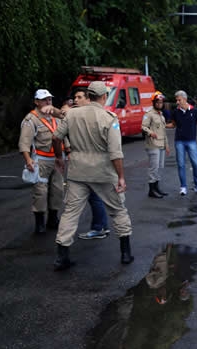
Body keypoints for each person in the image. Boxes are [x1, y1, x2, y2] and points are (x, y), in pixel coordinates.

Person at [53, 81, 134, 271]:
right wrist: (121, 176)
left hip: (77, 171)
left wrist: (59, 156)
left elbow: (56, 137)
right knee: (118, 210)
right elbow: (115, 152)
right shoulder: (109, 118)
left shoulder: (72, 114)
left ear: (88, 96)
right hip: (103, 172)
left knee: (70, 213)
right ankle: (125, 252)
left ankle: (62, 256)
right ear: (104, 97)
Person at [19, 89, 65, 234]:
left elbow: (64, 135)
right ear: (36, 102)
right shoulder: (31, 119)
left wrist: (67, 152)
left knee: (57, 189)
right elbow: (24, 142)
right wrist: (28, 160)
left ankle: (53, 219)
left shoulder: (55, 117)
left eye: (50, 99)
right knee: (40, 192)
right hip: (41, 159)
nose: (48, 102)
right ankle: (40, 223)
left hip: (57, 159)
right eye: (44, 99)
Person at [72, 88, 111, 240]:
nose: (76, 100)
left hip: (92, 165)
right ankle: (102, 226)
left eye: (79, 97)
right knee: (96, 197)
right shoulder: (82, 115)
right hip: (92, 164)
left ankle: (99, 227)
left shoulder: (92, 117)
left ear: (88, 100)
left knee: (94, 197)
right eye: (75, 97)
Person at [169, 90, 197, 196]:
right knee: (181, 164)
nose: (177, 102)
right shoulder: (176, 112)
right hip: (179, 141)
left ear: (184, 99)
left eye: (179, 100)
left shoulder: (194, 111)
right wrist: (163, 125)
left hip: (191, 141)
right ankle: (183, 187)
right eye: (176, 100)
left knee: (196, 164)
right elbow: (173, 124)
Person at [142, 91, 170, 198]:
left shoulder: (161, 115)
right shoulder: (149, 114)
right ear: (154, 102)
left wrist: (166, 145)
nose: (160, 104)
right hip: (153, 144)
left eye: (161, 102)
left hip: (161, 144)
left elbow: (163, 131)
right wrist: (150, 133)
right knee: (153, 167)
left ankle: (157, 187)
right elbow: (143, 127)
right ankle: (151, 190)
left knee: (160, 167)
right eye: (157, 102)